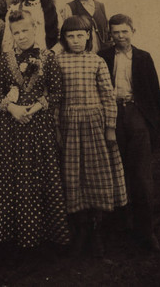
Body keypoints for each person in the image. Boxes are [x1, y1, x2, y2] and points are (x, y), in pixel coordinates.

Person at [0, 10, 70, 249]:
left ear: (34, 28)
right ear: (11, 35)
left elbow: (56, 93)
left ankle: (40, 236)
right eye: (16, 32)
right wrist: (11, 108)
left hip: (38, 129)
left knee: (38, 178)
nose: (21, 36)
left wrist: (34, 109)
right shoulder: (5, 60)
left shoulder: (48, 58)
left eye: (25, 30)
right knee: (11, 179)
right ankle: (12, 236)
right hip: (10, 129)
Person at [55, 16, 127, 258]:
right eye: (70, 36)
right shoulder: (57, 61)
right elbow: (54, 97)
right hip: (68, 123)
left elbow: (108, 96)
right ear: (64, 38)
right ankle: (81, 229)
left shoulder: (96, 61)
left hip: (95, 124)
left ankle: (97, 230)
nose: (75, 40)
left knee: (97, 172)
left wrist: (110, 127)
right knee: (73, 174)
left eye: (80, 35)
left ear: (88, 36)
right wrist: (55, 126)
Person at [98, 14, 160, 252]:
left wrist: (151, 122)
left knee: (141, 175)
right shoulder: (102, 57)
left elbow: (154, 93)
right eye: (115, 32)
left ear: (133, 31)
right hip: (112, 115)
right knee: (116, 171)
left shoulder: (143, 58)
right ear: (110, 35)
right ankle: (120, 226)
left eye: (124, 31)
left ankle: (146, 232)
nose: (120, 36)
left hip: (135, 113)